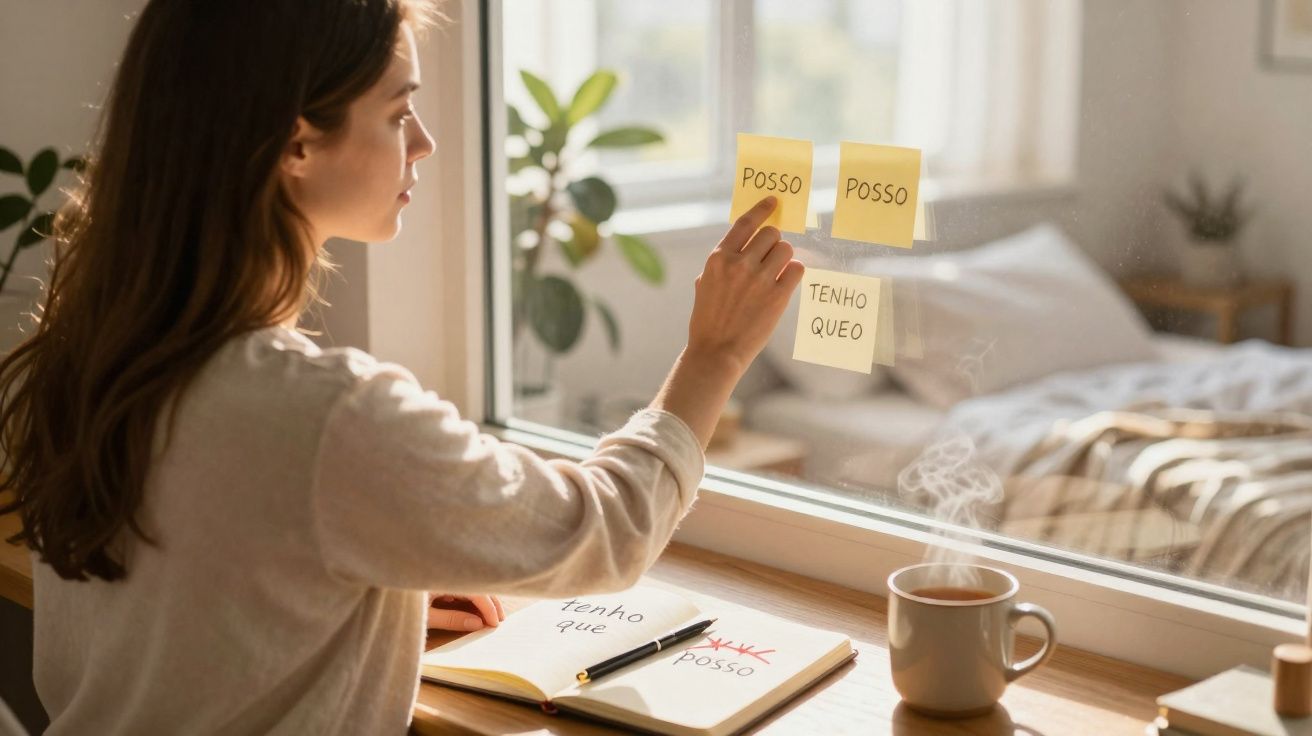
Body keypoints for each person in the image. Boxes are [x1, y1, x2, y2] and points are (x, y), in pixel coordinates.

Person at [0, 1, 804, 733]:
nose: (423, 142)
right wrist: (715, 353)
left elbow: (201, 590)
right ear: (295, 141)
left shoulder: (85, 365)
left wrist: (374, 579)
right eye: (397, 112)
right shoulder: (325, 415)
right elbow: (607, 532)